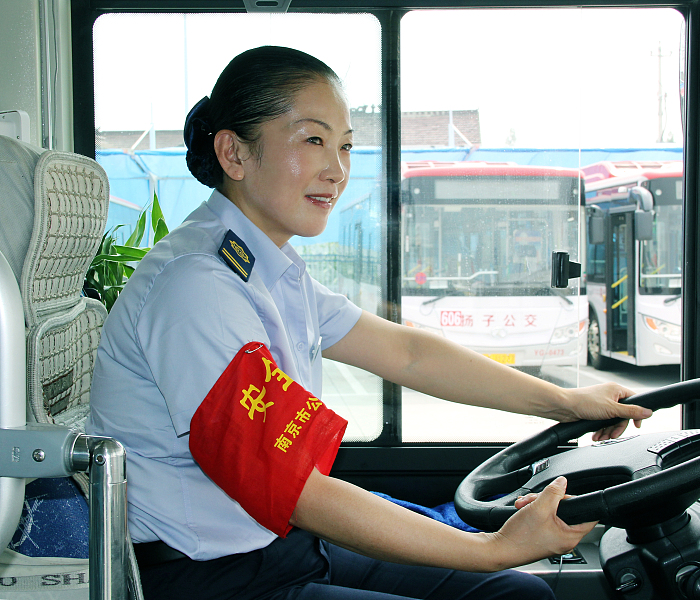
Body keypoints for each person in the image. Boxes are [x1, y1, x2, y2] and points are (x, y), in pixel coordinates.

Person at [86, 46, 652, 600]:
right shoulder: (198, 287)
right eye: (313, 140)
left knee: (513, 593)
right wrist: (494, 548)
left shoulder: (269, 267)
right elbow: (295, 488)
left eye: (346, 146)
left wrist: (568, 403)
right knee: (503, 584)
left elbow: (408, 355)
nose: (337, 171)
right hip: (216, 578)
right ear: (234, 154)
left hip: (278, 542)